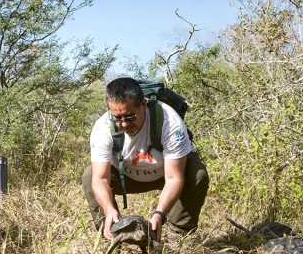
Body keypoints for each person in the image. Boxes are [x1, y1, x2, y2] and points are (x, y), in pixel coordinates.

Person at [83, 76, 209, 241]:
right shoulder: (103, 127)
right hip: (126, 177)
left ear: (143, 104)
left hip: (165, 174)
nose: (124, 124)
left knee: (197, 175)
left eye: (130, 117)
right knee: (89, 176)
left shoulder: (169, 122)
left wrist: (159, 214)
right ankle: (110, 233)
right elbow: (100, 179)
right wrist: (108, 209)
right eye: (117, 118)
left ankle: (178, 235)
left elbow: (173, 178)